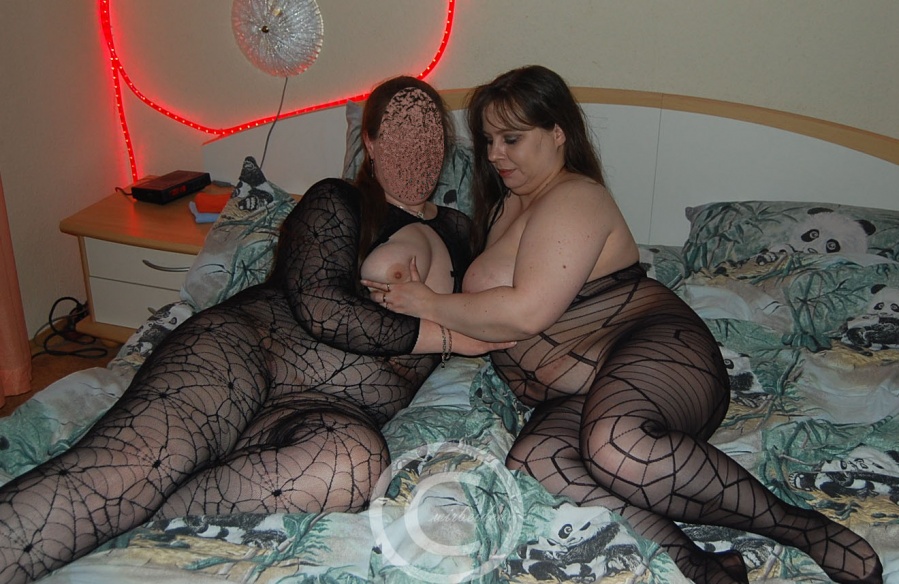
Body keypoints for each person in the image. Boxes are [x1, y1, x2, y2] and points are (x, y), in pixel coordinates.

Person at [362, 65, 883, 584]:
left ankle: (805, 529)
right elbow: (484, 311)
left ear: (558, 133)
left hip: (659, 353)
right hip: (583, 387)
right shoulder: (504, 207)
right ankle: (696, 561)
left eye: (512, 138)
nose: (495, 153)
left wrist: (427, 302)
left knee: (616, 445)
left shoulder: (575, 197)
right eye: (489, 139)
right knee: (537, 462)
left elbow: (525, 313)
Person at [0, 76, 512, 584]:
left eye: (428, 135)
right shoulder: (338, 199)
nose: (415, 148)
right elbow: (323, 308)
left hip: (335, 410)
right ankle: (113, 501)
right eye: (399, 133)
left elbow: (501, 294)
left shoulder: (462, 231)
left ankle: (131, 515)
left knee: (355, 466)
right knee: (132, 466)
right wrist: (448, 339)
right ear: (371, 142)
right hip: (249, 354)